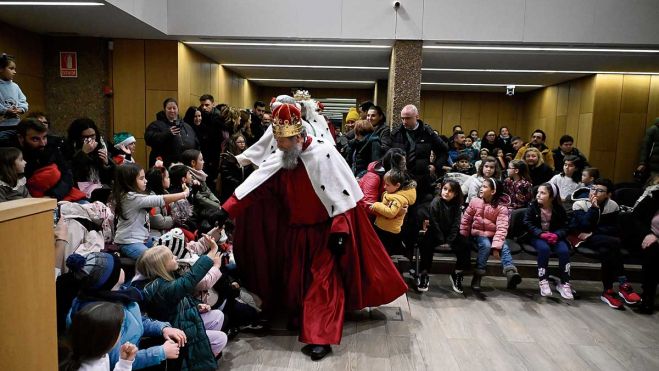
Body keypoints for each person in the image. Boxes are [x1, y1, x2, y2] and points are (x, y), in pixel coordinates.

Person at [215, 103, 407, 361]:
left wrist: (340, 230)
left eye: (283, 141)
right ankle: (301, 318)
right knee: (296, 281)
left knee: (322, 283)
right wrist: (226, 210)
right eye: (278, 140)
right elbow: (259, 187)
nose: (279, 146)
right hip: (294, 234)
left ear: (297, 137)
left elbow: (341, 194)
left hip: (324, 233)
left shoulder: (323, 153)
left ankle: (321, 337)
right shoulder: (283, 157)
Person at [65, 252, 185, 369]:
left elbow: (135, 320)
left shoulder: (117, 294)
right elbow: (115, 361)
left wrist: (162, 328)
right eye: (118, 268)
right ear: (111, 280)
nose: (123, 269)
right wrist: (160, 352)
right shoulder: (103, 317)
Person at [133, 246, 226, 369]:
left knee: (218, 316)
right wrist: (212, 251)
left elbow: (181, 299)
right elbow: (190, 280)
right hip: (178, 331)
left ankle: (205, 352)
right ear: (162, 266)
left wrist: (197, 305)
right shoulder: (160, 287)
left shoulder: (161, 281)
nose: (175, 257)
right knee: (221, 338)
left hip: (181, 320)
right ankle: (199, 359)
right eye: (171, 257)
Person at [570, 178, 642, 309]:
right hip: (581, 239)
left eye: (600, 191)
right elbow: (583, 226)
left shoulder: (612, 205)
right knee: (615, 242)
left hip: (601, 239)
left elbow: (614, 228)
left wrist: (593, 231)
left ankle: (608, 291)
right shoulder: (580, 204)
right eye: (593, 189)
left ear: (608, 194)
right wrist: (593, 208)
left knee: (607, 250)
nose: (595, 192)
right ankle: (623, 284)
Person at [111, 163, 190, 260]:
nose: (146, 181)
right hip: (129, 242)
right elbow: (161, 199)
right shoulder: (130, 197)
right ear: (129, 181)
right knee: (155, 260)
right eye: (141, 178)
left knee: (171, 247)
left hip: (143, 239)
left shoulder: (132, 195)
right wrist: (184, 194)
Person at [460, 178, 521, 290]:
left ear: (493, 192)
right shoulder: (475, 201)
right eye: (481, 186)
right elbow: (466, 220)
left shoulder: (501, 208)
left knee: (504, 246)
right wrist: (463, 236)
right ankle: (478, 275)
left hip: (494, 234)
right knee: (486, 246)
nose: (481, 188)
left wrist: (497, 247)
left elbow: (502, 228)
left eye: (484, 187)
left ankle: (510, 272)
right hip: (478, 233)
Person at [417, 180, 471, 293]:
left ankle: (457, 273)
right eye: (445, 189)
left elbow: (456, 224)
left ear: (455, 194)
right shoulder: (435, 202)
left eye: (450, 191)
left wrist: (450, 241)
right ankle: (424, 274)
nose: (446, 192)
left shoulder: (457, 205)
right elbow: (434, 222)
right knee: (425, 244)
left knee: (465, 245)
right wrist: (442, 240)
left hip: (450, 233)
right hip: (435, 231)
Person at [523, 183, 573, 299]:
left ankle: (565, 282)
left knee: (564, 251)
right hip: (537, 237)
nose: (538, 195)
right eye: (538, 192)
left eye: (543, 193)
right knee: (544, 249)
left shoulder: (559, 209)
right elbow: (527, 223)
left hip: (555, 236)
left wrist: (556, 235)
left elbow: (566, 227)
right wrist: (540, 234)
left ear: (552, 197)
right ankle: (543, 280)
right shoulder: (532, 206)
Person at [60, 302, 138, 371]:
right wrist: (124, 365)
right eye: (119, 329)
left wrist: (124, 363)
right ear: (106, 341)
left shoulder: (100, 355)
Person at [65, 118, 114, 200]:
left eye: (92, 136)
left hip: (101, 191)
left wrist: (107, 164)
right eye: (85, 137)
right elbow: (71, 173)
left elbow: (111, 175)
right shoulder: (68, 149)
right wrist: (83, 154)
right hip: (80, 194)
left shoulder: (100, 147)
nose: (90, 140)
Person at [370, 169, 417, 255]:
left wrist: (376, 205)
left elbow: (391, 213)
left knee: (384, 254)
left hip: (388, 231)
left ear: (397, 185)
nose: (384, 187)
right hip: (384, 227)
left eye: (387, 185)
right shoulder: (392, 193)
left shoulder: (398, 198)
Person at [145, 98, 199, 166]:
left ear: (178, 109)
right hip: (165, 164)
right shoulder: (156, 125)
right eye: (169, 108)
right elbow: (149, 139)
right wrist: (167, 134)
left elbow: (196, 143)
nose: (172, 110)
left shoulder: (187, 126)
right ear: (165, 110)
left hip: (184, 165)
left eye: (174, 108)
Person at [218, 133, 254, 203]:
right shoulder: (228, 156)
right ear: (233, 143)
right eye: (239, 142)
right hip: (232, 190)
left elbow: (250, 171)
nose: (242, 144)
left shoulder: (247, 156)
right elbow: (226, 175)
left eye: (243, 142)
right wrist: (240, 184)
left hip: (245, 188)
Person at [145, 165, 174, 239]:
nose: (169, 179)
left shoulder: (164, 192)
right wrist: (175, 218)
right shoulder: (151, 197)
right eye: (167, 177)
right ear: (159, 180)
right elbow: (159, 222)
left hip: (163, 230)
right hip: (152, 234)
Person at [0, 53, 28, 128]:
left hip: (16, 124)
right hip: (2, 126)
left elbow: (23, 101)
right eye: (11, 68)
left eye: (15, 69)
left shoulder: (15, 86)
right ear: (1, 69)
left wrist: (20, 109)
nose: (14, 72)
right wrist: (5, 110)